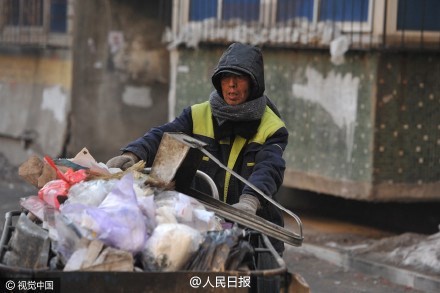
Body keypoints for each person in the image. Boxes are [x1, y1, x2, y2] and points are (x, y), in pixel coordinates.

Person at [106, 42, 288, 254]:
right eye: (226, 77)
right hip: (205, 226)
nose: (231, 85)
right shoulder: (197, 114)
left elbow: (269, 168)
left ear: (254, 83)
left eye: (240, 78)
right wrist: (133, 153)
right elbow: (162, 135)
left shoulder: (272, 127)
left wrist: (250, 201)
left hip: (255, 230)